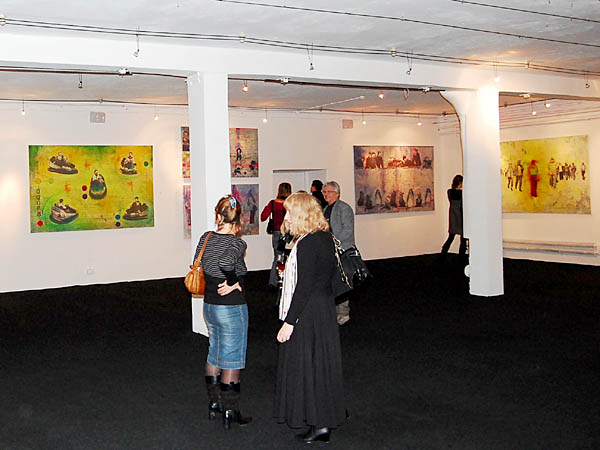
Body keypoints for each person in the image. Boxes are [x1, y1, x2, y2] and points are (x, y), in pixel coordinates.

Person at [275, 193, 346, 443]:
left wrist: (289, 322)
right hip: (323, 307)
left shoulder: (307, 243)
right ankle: (324, 418)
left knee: (310, 366)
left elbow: (304, 286)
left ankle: (320, 424)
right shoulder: (324, 236)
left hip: (309, 311)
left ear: (301, 214)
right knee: (322, 364)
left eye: (289, 213)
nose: (286, 218)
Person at [193, 195, 251, 429]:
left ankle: (214, 403)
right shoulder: (237, 243)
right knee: (232, 358)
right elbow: (226, 264)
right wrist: (233, 281)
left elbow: (200, 263)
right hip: (231, 307)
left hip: (210, 305)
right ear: (239, 218)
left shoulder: (206, 238)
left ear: (218, 215)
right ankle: (230, 410)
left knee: (214, 353)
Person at [322, 181, 355, 326]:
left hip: (343, 252)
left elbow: (347, 230)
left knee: (342, 284)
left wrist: (334, 242)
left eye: (328, 192)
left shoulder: (344, 208)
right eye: (324, 192)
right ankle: (333, 313)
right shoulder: (325, 209)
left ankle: (343, 313)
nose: (325, 194)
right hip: (330, 253)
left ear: (337, 194)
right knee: (331, 284)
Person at [261, 182, 292, 289]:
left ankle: (273, 282)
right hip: (288, 232)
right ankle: (287, 282)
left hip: (276, 232)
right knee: (289, 256)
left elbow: (263, 216)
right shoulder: (290, 204)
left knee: (277, 257)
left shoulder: (273, 203)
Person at [441, 175, 467, 257]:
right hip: (460, 216)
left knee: (451, 237)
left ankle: (443, 254)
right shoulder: (461, 193)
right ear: (460, 183)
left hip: (453, 216)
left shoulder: (449, 192)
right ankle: (461, 258)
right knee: (463, 239)